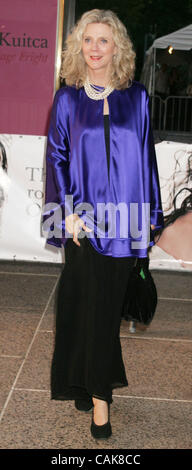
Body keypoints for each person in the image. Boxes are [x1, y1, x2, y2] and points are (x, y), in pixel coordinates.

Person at [43, 9, 163, 440]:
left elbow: (146, 160)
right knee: (82, 306)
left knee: (104, 312)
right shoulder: (68, 99)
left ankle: (89, 383)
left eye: (103, 41)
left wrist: (151, 220)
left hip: (126, 223)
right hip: (83, 223)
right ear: (79, 46)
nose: (94, 49)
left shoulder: (138, 99)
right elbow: (56, 158)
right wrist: (67, 212)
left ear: (118, 48)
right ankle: (98, 398)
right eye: (87, 40)